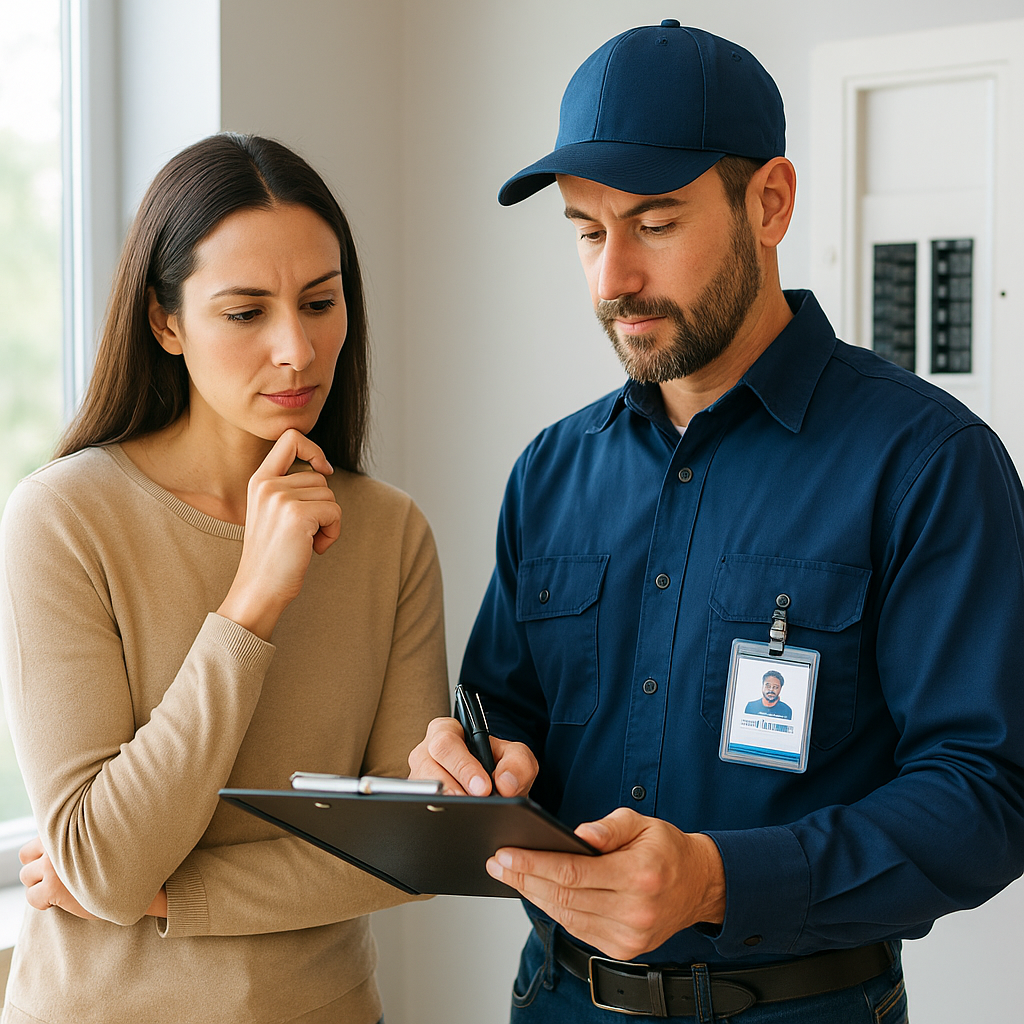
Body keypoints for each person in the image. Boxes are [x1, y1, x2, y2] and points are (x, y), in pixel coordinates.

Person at [409, 21, 1024, 1023]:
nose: (611, 279)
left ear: (768, 202)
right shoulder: (551, 471)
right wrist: (478, 762)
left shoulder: (926, 463)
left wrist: (718, 881)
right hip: (553, 1001)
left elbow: (987, 796)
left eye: (653, 223)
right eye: (584, 229)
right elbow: (504, 708)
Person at [0, 133, 449, 1024]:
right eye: (246, 313)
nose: (297, 347)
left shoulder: (390, 532)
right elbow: (104, 861)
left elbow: (412, 849)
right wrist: (253, 602)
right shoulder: (61, 519)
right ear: (166, 323)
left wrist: (173, 899)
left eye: (321, 302)